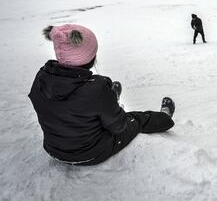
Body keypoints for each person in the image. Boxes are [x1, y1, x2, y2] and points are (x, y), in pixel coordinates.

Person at [28, 24, 175, 166]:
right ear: (89, 58)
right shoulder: (96, 88)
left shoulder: (41, 77)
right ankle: (165, 118)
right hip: (90, 153)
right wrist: (113, 107)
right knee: (136, 119)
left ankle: (109, 103)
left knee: (92, 106)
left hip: (54, 149)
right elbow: (119, 126)